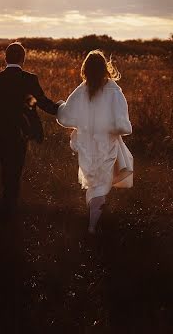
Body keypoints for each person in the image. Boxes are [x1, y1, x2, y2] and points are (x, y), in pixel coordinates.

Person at [0, 41, 61, 215]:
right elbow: (42, 102)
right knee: (15, 169)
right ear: (23, 58)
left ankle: (7, 202)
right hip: (20, 133)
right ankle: (10, 205)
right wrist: (60, 109)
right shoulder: (30, 79)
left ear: (5, 58)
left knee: (6, 167)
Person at [57, 50, 133, 234]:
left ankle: (93, 220)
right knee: (100, 184)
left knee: (93, 183)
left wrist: (59, 107)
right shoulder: (114, 91)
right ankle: (92, 225)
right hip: (106, 144)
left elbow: (66, 117)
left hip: (86, 145)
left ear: (86, 69)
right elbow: (122, 123)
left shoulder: (81, 90)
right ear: (104, 68)